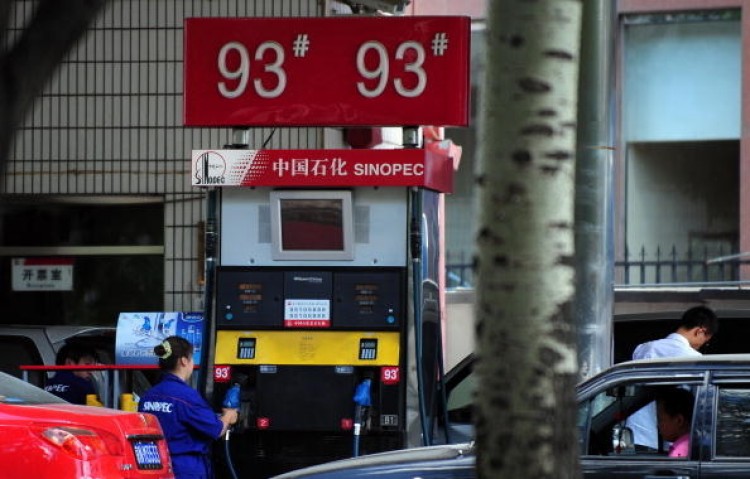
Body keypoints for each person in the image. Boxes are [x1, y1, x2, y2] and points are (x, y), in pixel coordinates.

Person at [139, 336, 238, 479]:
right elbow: (216, 430)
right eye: (191, 359)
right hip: (186, 469)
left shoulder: (148, 396)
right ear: (184, 361)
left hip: (155, 467)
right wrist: (229, 416)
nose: (192, 364)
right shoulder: (187, 397)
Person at [627, 305, 718, 451]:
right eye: (706, 341)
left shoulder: (643, 348)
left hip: (639, 434)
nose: (703, 345)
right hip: (675, 439)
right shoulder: (695, 359)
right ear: (700, 331)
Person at [656, 386, 694, 458]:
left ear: (679, 421)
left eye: (660, 419)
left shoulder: (679, 453)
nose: (658, 425)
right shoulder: (691, 444)